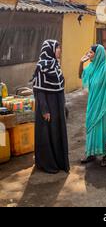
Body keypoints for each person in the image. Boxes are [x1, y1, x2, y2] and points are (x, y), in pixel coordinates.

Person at [32, 40, 69, 174]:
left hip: (57, 106)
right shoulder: (41, 67)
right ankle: (47, 163)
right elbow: (39, 91)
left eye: (59, 47)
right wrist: (44, 110)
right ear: (50, 50)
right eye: (57, 48)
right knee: (47, 135)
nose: (59, 50)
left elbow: (61, 87)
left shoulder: (55, 65)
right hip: (47, 108)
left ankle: (59, 162)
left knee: (57, 133)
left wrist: (63, 105)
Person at [79, 44, 106, 167]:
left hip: (104, 106)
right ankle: (91, 153)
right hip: (92, 104)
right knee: (90, 127)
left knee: (104, 129)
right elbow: (80, 75)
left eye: (91, 53)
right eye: (89, 52)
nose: (89, 54)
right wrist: (81, 63)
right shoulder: (91, 67)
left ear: (98, 54)